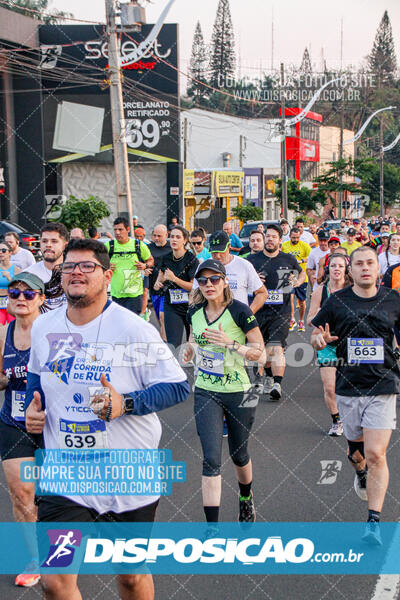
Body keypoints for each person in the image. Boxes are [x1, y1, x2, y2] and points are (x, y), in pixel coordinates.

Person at [24, 239, 190, 600]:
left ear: (108, 275)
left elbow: (178, 387)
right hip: (64, 475)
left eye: (87, 267)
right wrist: (32, 409)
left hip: (127, 474)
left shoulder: (134, 330)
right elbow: (36, 376)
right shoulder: (43, 326)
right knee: (55, 580)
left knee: (130, 576)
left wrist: (125, 405)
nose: (76, 273)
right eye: (69, 267)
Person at [311, 246, 400, 545]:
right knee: (357, 454)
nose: (365, 268)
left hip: (383, 385)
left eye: (370, 263)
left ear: (378, 269)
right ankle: (359, 471)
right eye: (359, 263)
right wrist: (319, 340)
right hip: (348, 387)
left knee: (376, 454)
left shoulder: (392, 300)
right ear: (350, 270)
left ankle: (373, 521)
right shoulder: (337, 302)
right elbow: (314, 336)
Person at [184, 259, 265, 525]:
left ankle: (245, 497)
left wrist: (232, 344)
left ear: (224, 281)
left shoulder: (240, 311)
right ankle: (212, 529)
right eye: (203, 280)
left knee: (239, 454)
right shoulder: (194, 311)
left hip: (239, 391)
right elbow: (194, 338)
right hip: (206, 391)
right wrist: (190, 349)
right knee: (210, 459)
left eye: (214, 279)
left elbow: (260, 354)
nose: (208, 285)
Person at [0, 273, 45, 588]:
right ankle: (36, 558)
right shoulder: (2, 333)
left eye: (29, 294)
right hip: (14, 423)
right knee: (21, 492)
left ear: (41, 299)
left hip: (53, 425)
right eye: (14, 292)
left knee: (56, 496)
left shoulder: (56, 334)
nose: (20, 298)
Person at [247, 224, 305, 400]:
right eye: (268, 236)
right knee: (259, 349)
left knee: (276, 346)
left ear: (280, 240)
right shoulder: (252, 260)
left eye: (274, 237)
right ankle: (268, 376)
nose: (270, 239)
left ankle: (277, 384)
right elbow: (244, 283)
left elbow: (302, 275)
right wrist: (254, 281)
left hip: (281, 311)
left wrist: (296, 282)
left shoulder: (288, 259)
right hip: (258, 310)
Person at [307, 254, 351, 436]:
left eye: (340, 266)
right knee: (330, 387)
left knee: (351, 387)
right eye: (333, 266)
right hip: (326, 343)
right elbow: (309, 319)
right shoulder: (320, 291)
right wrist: (318, 315)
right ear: (328, 269)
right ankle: (337, 421)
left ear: (346, 269)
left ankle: (353, 418)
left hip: (349, 344)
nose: (337, 269)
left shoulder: (353, 290)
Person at [197, 231, 267, 312]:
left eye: (221, 251)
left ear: (229, 246)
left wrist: (248, 315)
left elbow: (262, 293)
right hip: (212, 321)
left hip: (237, 322)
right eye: (214, 252)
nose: (218, 256)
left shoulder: (244, 265)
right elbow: (195, 295)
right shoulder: (203, 267)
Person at [154, 226, 199, 347]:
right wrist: (158, 283)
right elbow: (158, 282)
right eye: (172, 236)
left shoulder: (191, 259)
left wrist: (174, 279)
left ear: (185, 240)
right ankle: (175, 365)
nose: (174, 239)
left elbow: (193, 287)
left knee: (194, 344)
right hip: (171, 306)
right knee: (173, 345)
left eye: (178, 237)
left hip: (190, 306)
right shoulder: (166, 258)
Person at [105, 217, 154, 315]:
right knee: (118, 325)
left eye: (120, 229)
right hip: (116, 294)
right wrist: (107, 266)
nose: (117, 232)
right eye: (115, 230)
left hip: (134, 294)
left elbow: (151, 260)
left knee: (132, 326)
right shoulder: (109, 246)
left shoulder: (138, 245)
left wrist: (145, 265)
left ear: (128, 230)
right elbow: (98, 264)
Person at [23, 222, 69, 310]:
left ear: (64, 245)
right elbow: (12, 307)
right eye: (44, 241)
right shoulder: (28, 275)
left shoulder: (76, 273)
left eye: (54, 241)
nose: (48, 245)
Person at [281, 227, 311, 332]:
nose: (295, 240)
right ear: (289, 237)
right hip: (289, 276)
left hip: (302, 277)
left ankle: (301, 320)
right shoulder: (284, 246)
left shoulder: (304, 245)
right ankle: (292, 319)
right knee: (290, 297)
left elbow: (310, 256)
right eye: (293, 238)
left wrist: (301, 260)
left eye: (297, 237)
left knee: (301, 300)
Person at [146, 225, 171, 338]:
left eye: (159, 236)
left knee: (163, 316)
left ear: (166, 235)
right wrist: (145, 269)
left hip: (168, 288)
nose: (156, 238)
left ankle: (165, 343)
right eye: (154, 235)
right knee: (159, 318)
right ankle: (165, 338)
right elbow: (144, 264)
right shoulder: (148, 248)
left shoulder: (172, 247)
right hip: (154, 288)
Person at [0, 241, 21, 324]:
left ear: (10, 253)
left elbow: (20, 288)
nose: (1, 252)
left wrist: (9, 278)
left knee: (11, 327)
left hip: (12, 304)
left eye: (4, 250)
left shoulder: (16, 270)